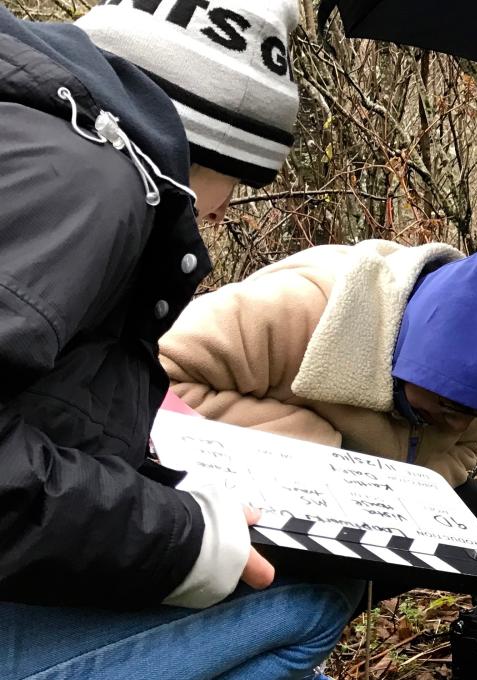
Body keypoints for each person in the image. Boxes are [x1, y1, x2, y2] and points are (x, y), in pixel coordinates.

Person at [0, 1, 364, 677]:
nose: (225, 211)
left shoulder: (35, 144)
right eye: (241, 178)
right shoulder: (89, 184)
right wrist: (181, 537)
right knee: (308, 601)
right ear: (208, 138)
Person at [159, 241, 477, 535]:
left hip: (353, 500)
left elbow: (460, 453)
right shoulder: (297, 306)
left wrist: (390, 488)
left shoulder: (466, 400)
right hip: (220, 480)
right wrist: (322, 453)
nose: (463, 421)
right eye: (449, 401)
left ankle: (321, 614)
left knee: (472, 507)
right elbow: (158, 377)